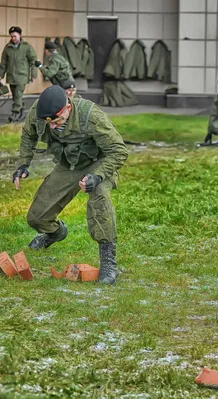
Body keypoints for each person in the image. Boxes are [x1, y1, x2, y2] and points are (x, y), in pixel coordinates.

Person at [12, 85, 129, 284]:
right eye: (48, 123)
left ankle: (109, 263)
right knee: (36, 217)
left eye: (57, 121)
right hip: (69, 164)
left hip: (98, 163)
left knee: (99, 198)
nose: (52, 127)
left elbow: (119, 151)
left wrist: (98, 176)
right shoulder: (38, 112)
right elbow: (29, 135)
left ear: (67, 108)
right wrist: (23, 163)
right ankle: (56, 233)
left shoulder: (91, 116)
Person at [0, 26, 38, 122]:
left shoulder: (26, 47)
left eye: (15, 36)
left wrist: (33, 74)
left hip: (22, 76)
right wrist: (0, 75)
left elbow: (33, 61)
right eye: (12, 36)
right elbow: (3, 63)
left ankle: (14, 114)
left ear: (20, 35)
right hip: (11, 76)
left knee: (18, 95)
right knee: (16, 96)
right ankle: (22, 109)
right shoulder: (8, 48)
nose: (13, 38)